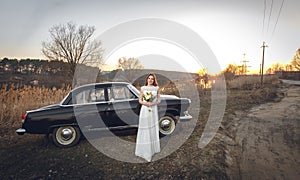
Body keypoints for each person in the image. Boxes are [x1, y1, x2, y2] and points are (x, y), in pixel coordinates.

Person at [135, 73, 161, 162]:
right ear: (147, 79)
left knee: (152, 127)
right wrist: (146, 103)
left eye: (152, 79)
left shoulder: (156, 88)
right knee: (145, 128)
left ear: (154, 80)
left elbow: (158, 100)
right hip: (145, 109)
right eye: (149, 78)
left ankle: (153, 149)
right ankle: (144, 151)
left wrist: (152, 103)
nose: (150, 80)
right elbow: (140, 100)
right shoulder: (143, 88)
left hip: (153, 110)